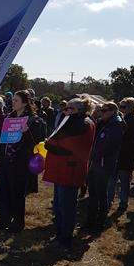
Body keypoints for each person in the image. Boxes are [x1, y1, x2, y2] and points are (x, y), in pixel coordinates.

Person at [43, 97, 95, 251]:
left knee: (66, 207)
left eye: (69, 109)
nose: (66, 111)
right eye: (66, 109)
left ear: (78, 110)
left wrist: (50, 145)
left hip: (70, 170)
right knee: (59, 206)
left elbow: (68, 146)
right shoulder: (75, 122)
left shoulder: (82, 124)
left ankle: (65, 239)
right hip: (62, 169)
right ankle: (59, 235)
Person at [0, 90, 40, 233]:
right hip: (5, 161)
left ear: (25, 103)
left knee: (17, 193)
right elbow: (3, 140)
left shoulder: (33, 120)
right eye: (13, 100)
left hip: (19, 163)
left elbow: (35, 145)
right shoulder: (9, 117)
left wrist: (26, 132)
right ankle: (3, 220)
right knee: (4, 191)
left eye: (16, 100)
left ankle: (18, 222)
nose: (12, 102)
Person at [86, 102, 124, 231]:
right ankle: (89, 221)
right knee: (93, 193)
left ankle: (99, 223)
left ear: (113, 111)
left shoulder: (116, 125)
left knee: (101, 194)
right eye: (101, 110)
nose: (101, 112)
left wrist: (97, 155)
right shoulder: (104, 123)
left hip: (103, 164)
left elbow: (110, 146)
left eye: (104, 110)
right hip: (95, 163)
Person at [111, 97, 134, 212]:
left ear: (130, 107)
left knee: (124, 180)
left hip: (126, 155)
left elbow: (129, 136)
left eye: (123, 107)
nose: (121, 109)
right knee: (112, 180)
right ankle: (109, 200)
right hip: (118, 154)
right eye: (120, 107)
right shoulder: (120, 119)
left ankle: (123, 203)